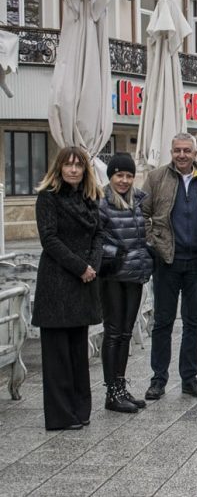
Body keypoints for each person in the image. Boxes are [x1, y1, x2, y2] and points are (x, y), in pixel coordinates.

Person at [142, 132, 197, 401]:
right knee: (162, 322)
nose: (182, 155)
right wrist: (154, 241)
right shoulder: (156, 178)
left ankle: (189, 378)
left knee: (193, 322)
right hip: (167, 260)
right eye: (177, 150)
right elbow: (142, 213)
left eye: (187, 150)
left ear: (195, 154)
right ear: (171, 152)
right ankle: (158, 379)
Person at [33, 146, 103, 430]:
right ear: (59, 168)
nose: (73, 170)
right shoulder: (48, 198)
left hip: (83, 283)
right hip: (57, 283)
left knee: (77, 352)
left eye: (78, 165)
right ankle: (61, 415)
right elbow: (49, 239)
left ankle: (80, 410)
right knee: (57, 355)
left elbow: (99, 234)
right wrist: (80, 267)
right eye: (68, 165)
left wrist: (93, 266)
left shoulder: (89, 198)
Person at [98, 153, 154, 414]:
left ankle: (120, 387)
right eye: (119, 175)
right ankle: (112, 392)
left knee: (126, 334)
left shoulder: (138, 200)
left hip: (135, 275)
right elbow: (95, 238)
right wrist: (115, 252)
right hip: (112, 276)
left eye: (129, 175)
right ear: (111, 176)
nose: (124, 180)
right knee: (113, 333)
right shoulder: (100, 201)